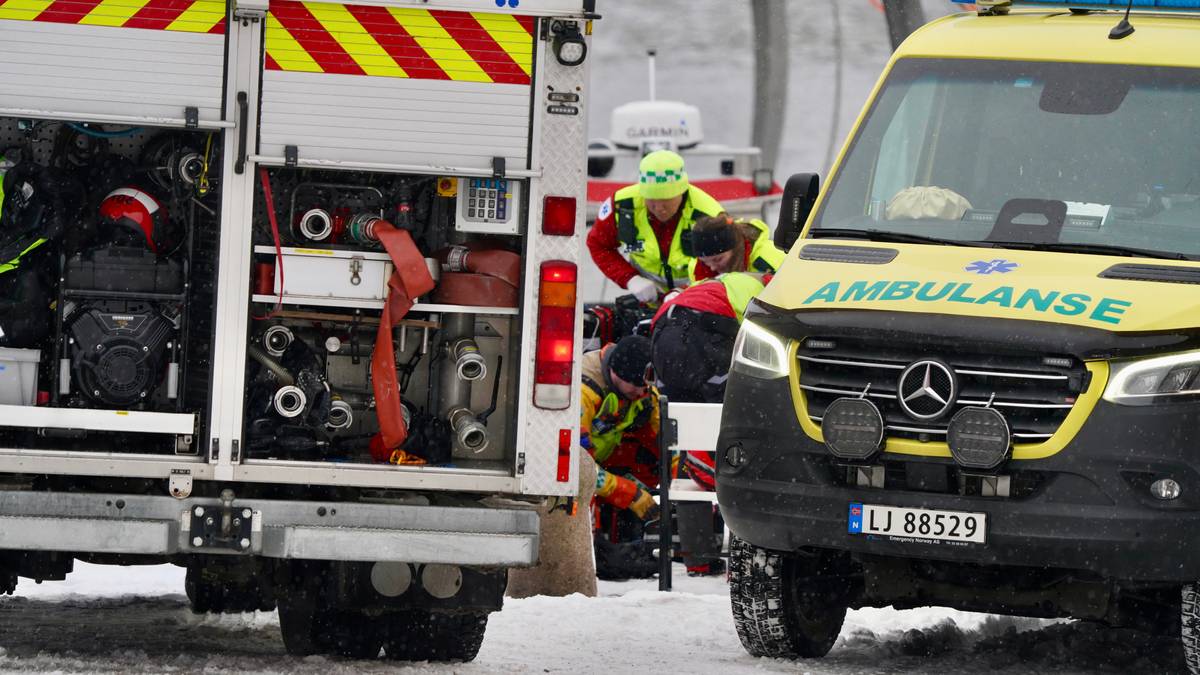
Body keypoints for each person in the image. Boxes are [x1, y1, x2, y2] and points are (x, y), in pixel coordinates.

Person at [650, 271, 769, 576]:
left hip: (663, 334)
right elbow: (762, 337)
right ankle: (744, 555)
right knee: (733, 427)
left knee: (688, 431)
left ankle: (697, 558)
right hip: (703, 333)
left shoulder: (715, 282)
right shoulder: (765, 290)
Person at [587, 150, 725, 303]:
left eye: (666, 199)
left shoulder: (708, 215)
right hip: (645, 299)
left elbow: (725, 266)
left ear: (682, 191)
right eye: (652, 199)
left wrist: (686, 291)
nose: (659, 208)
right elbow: (598, 245)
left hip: (697, 299)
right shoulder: (622, 206)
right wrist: (630, 279)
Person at [580, 335, 663, 580]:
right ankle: (599, 552)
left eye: (646, 386)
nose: (641, 392)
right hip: (579, 468)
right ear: (616, 374)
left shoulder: (642, 389)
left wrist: (677, 485)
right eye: (636, 386)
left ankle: (628, 542)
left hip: (604, 456)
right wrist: (631, 494)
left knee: (647, 459)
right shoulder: (584, 392)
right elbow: (577, 468)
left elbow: (666, 440)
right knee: (580, 494)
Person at [687, 213, 786, 282]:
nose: (712, 267)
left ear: (734, 248)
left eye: (718, 259)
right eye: (705, 262)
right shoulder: (697, 269)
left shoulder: (770, 260)